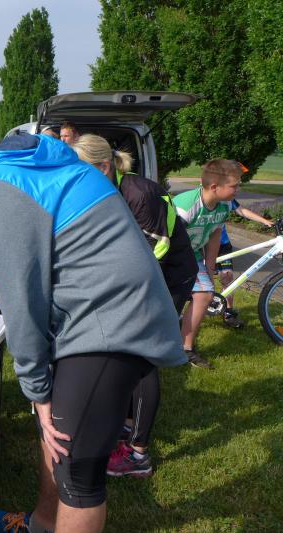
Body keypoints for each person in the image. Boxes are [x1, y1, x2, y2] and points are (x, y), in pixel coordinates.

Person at [0, 109, 186, 533]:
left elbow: (21, 296)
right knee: (55, 437)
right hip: (112, 308)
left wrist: (36, 389)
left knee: (77, 470)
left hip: (110, 319)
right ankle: (42, 523)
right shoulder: (31, 157)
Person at [72, 134, 197, 478]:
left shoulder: (140, 193)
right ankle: (127, 424)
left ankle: (138, 455)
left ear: (104, 166)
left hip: (168, 278)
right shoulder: (107, 188)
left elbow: (154, 252)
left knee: (143, 357)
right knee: (128, 351)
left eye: (82, 172)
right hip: (141, 277)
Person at [172, 160, 243, 369]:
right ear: (214, 187)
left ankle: (186, 349)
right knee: (166, 299)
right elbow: (166, 238)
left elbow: (215, 234)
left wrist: (210, 269)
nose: (238, 190)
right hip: (168, 254)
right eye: (234, 186)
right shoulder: (186, 207)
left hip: (192, 254)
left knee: (205, 294)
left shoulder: (224, 205)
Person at [214, 200, 274, 328]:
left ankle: (228, 313)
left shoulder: (227, 199)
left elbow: (242, 210)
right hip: (203, 244)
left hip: (223, 245)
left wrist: (264, 221)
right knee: (203, 279)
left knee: (227, 277)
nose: (236, 191)